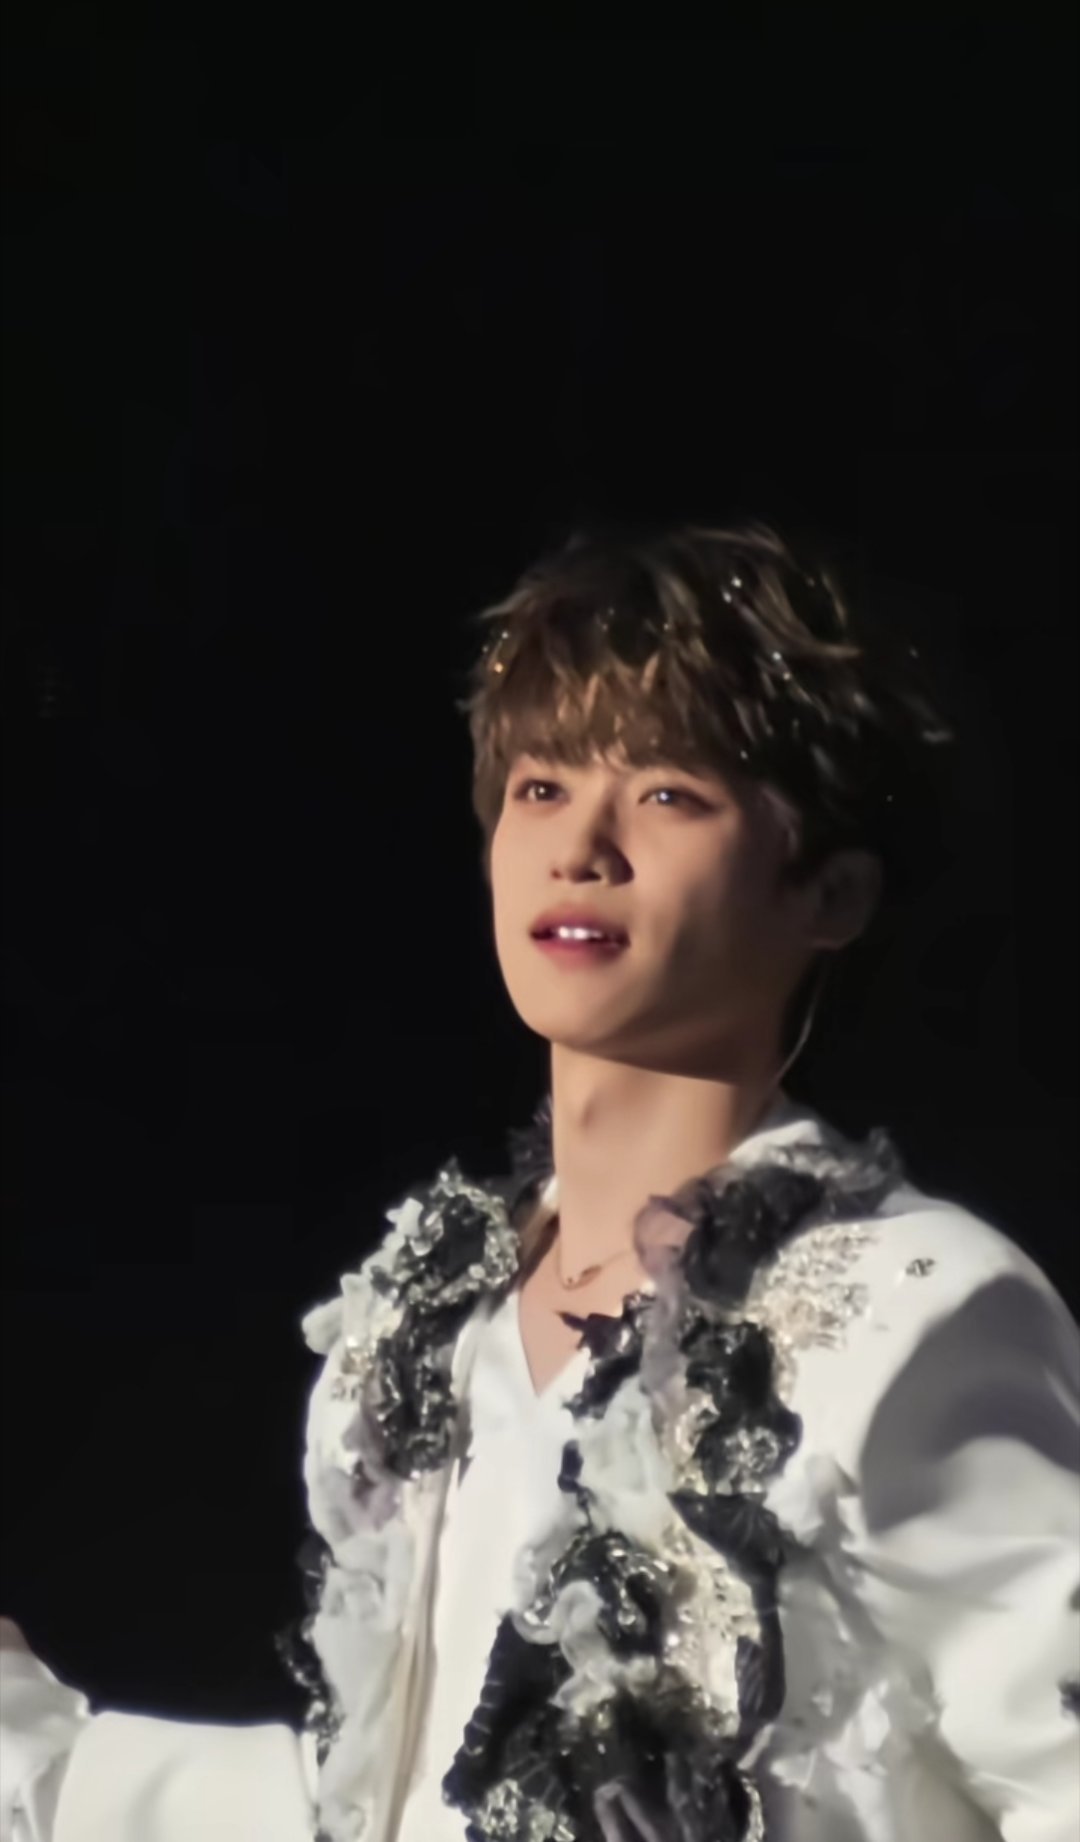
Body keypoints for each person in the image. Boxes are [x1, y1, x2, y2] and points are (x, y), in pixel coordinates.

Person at [2, 519, 1078, 1842]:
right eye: (541, 787)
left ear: (832, 893)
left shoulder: (908, 1307)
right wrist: (38, 1764)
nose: (583, 847)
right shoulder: (421, 1318)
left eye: (669, 793)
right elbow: (396, 1803)